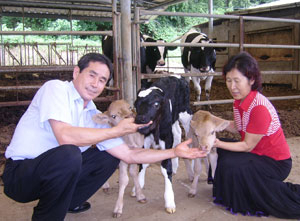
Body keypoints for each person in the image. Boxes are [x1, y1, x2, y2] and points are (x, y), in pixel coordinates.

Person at [1, 53, 206, 221]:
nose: (95, 84)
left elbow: (129, 155)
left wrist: (173, 152)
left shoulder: (92, 113)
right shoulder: (55, 89)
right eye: (91, 75)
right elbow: (65, 136)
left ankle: (70, 200)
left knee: (109, 156)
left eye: (102, 80)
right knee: (70, 154)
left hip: (51, 174)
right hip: (21, 176)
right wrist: (117, 130)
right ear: (76, 72)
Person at [212, 51, 300, 219]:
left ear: (251, 80)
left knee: (231, 163)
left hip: (275, 162)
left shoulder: (259, 107)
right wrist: (212, 121)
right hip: (256, 154)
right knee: (223, 152)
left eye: (237, 81)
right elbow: (237, 127)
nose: (232, 87)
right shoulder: (239, 101)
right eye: (228, 81)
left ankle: (252, 195)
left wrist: (215, 142)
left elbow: (247, 145)